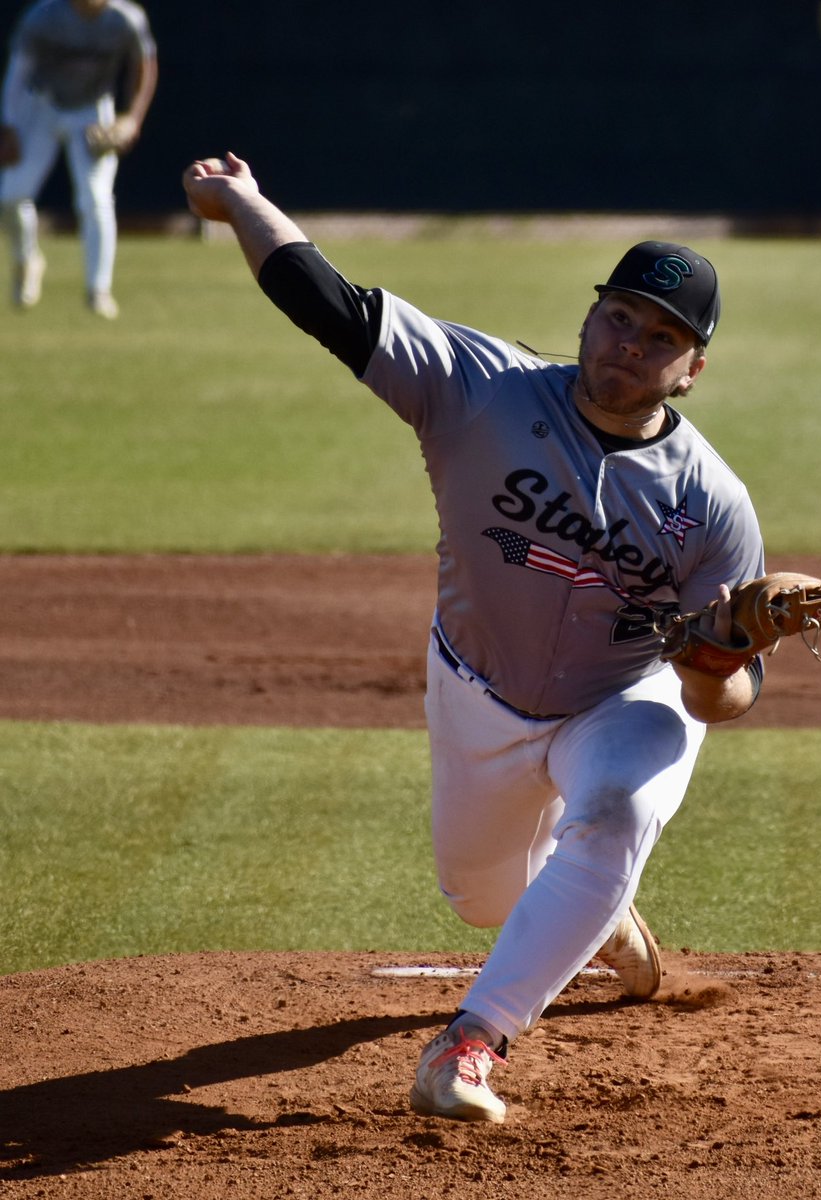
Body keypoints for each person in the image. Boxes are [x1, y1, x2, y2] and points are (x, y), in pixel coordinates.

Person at [182, 152, 768, 1124]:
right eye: (617, 316)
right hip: (474, 693)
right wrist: (242, 202)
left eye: (659, 336)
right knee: (484, 901)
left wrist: (714, 656)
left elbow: (727, 699)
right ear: (588, 316)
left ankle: (469, 1044)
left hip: (623, 697)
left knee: (618, 810)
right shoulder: (477, 387)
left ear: (692, 368)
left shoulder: (711, 504)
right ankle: (594, 916)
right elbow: (326, 301)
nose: (628, 345)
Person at [0, 0, 157, 318]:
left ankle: (98, 289)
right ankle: (27, 259)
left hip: (92, 110)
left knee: (96, 199)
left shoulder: (123, 18)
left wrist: (132, 119)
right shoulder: (44, 15)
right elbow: (19, 69)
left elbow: (144, 64)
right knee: (11, 195)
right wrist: (10, 125)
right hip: (42, 105)